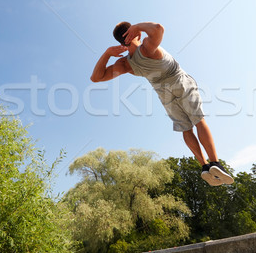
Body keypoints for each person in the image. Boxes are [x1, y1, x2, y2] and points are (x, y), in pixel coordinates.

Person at [90, 21, 234, 186]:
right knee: (198, 120)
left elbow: (96, 78)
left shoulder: (125, 64)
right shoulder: (146, 47)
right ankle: (215, 163)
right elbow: (158, 28)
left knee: (186, 129)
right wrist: (138, 26)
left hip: (164, 94)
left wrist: (107, 54)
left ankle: (204, 166)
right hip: (179, 82)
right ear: (135, 34)